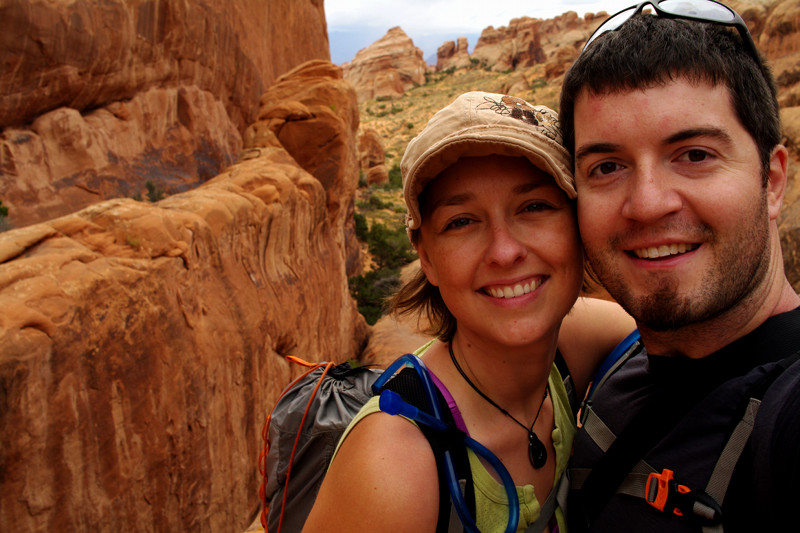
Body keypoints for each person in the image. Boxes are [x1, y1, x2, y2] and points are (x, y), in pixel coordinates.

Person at [302, 91, 634, 533]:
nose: (504, 251)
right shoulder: (396, 469)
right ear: (427, 257)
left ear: (579, 225)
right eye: (461, 221)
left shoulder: (571, 344)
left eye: (534, 207)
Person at [558, 2, 800, 531]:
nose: (647, 204)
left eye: (694, 155)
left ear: (774, 179)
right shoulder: (618, 359)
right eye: (607, 167)